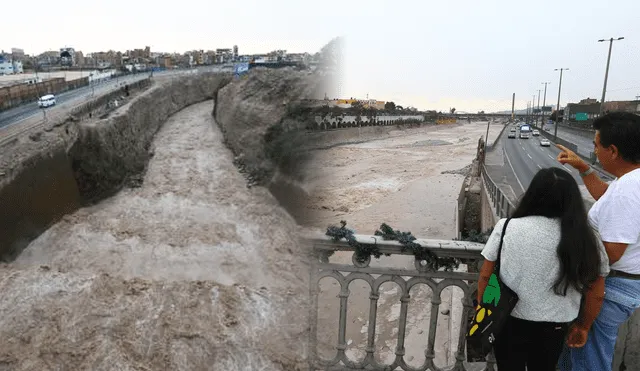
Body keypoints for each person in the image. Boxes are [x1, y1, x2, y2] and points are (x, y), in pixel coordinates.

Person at [478, 167, 609, 371]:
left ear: (533, 195)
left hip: (509, 320)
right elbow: (596, 291)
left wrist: (483, 308)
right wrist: (583, 326)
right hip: (554, 326)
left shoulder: (507, 227)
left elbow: (486, 275)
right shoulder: (585, 237)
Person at [556, 112, 640, 371]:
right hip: (619, 285)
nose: (594, 151)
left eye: (596, 145)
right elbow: (606, 197)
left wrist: (568, 256)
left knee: (586, 360)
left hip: (610, 288)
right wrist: (584, 168)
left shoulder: (628, 190)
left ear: (613, 151)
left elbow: (611, 253)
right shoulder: (628, 181)